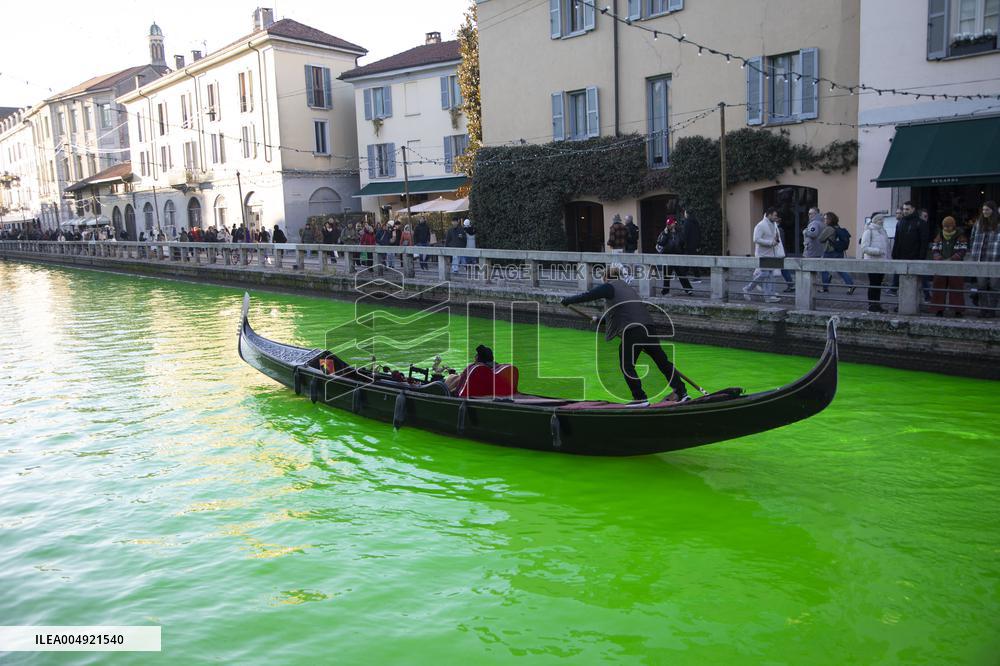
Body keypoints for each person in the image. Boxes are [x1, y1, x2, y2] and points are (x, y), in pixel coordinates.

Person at [561, 263, 689, 404]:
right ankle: (682, 392)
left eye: (603, 278)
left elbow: (588, 295)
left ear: (606, 277)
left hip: (633, 330)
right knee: (663, 362)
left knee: (626, 365)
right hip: (648, 328)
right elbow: (623, 311)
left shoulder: (609, 286)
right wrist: (599, 320)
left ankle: (640, 398)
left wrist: (568, 301)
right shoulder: (627, 288)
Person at [929, 216, 968, 317]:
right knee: (938, 286)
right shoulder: (939, 235)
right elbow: (935, 249)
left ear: (953, 226)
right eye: (945, 227)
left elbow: (963, 250)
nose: (946, 228)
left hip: (956, 266)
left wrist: (952, 259)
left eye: (948, 226)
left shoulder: (960, 236)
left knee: (956, 287)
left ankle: (958, 310)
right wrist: (939, 258)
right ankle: (938, 309)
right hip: (941, 265)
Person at [891, 201, 930, 300]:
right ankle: (902, 303)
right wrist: (894, 254)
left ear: (913, 209)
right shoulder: (900, 223)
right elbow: (897, 240)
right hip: (901, 258)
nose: (905, 211)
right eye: (904, 209)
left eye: (907, 209)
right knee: (902, 283)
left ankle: (916, 302)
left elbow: (924, 241)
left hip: (915, 258)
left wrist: (921, 257)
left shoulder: (920, 223)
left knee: (916, 284)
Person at [743, 207, 784, 303]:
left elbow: (773, 237)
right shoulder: (760, 225)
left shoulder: (773, 224)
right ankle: (748, 289)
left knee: (770, 275)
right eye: (774, 215)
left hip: (771, 254)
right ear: (769, 215)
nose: (776, 217)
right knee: (765, 274)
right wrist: (770, 243)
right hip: (763, 254)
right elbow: (756, 239)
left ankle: (768, 296)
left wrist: (776, 241)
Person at [968, 200, 999, 318]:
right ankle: (983, 309)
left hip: (995, 258)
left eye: (987, 209)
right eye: (983, 209)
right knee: (981, 285)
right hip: (980, 258)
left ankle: (991, 310)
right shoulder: (978, 222)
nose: (985, 212)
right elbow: (972, 237)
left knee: (994, 286)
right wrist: (973, 251)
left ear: (993, 210)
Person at [817, 211, 855, 294]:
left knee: (824, 269)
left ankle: (825, 288)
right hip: (839, 251)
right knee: (839, 269)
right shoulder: (838, 227)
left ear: (830, 219)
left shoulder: (829, 228)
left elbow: (820, 239)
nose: (824, 220)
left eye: (826, 218)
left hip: (830, 252)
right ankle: (850, 284)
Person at [860, 213, 890, 313]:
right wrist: (878, 251)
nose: (881, 221)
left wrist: (888, 259)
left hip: (882, 262)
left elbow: (887, 247)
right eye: (879, 219)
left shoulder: (883, 231)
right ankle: (872, 305)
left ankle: (877, 304)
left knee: (878, 284)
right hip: (871, 262)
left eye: (882, 219)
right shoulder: (868, 231)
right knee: (873, 283)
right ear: (874, 220)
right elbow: (864, 248)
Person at [655, 216, 693, 295]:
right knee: (666, 275)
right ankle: (665, 291)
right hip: (667, 256)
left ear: (674, 224)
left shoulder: (679, 232)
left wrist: (683, 252)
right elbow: (660, 243)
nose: (669, 226)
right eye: (668, 224)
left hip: (677, 256)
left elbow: (683, 242)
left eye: (670, 224)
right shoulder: (664, 233)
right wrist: (665, 234)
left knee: (681, 274)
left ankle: (688, 289)